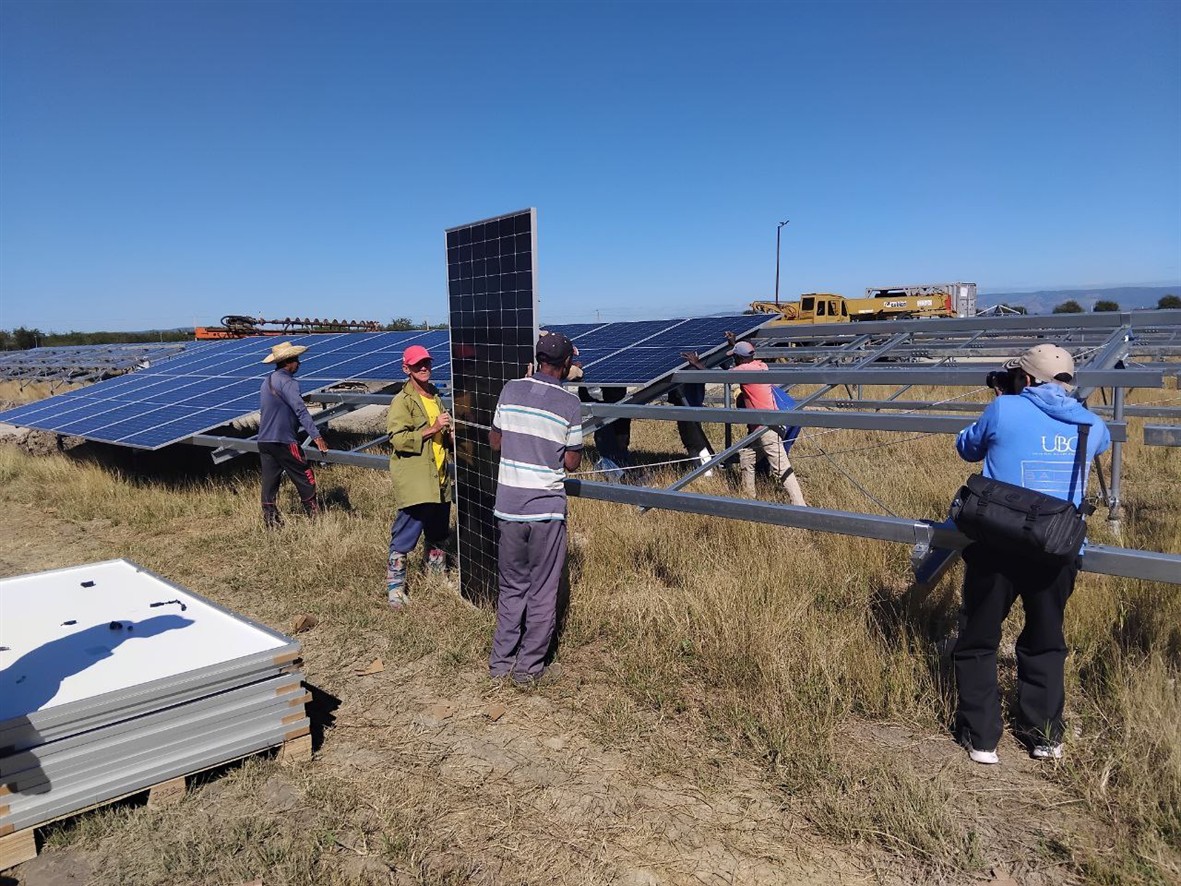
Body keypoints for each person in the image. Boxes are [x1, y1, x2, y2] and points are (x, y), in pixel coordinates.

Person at [952, 344, 1111, 764]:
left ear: (1024, 379)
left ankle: (981, 737)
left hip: (998, 542)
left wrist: (1004, 402)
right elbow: (1097, 444)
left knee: (980, 638)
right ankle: (1044, 735)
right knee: (1044, 640)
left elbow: (966, 448)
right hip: (1057, 548)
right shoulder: (1090, 425)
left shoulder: (1004, 409)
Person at [488, 330, 583, 686]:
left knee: (512, 587)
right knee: (543, 591)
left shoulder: (511, 389)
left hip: (508, 508)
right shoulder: (569, 404)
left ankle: (500, 664)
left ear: (538, 358)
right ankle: (528, 670)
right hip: (545, 511)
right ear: (567, 363)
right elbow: (572, 462)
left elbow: (495, 441)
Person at [684, 339, 806, 505]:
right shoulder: (760, 366)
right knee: (747, 457)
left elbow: (718, 377)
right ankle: (748, 498)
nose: (733, 360)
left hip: (766, 428)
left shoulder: (744, 370)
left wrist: (697, 363)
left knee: (781, 467)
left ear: (740, 359)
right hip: (762, 427)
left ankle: (800, 506)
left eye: (735, 357)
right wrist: (735, 344)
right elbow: (742, 360)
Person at [385, 344, 453, 609]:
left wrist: (447, 435)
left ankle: (436, 576)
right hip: (416, 478)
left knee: (438, 531)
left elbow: (441, 431)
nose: (423, 368)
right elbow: (398, 439)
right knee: (406, 532)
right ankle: (395, 588)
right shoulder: (402, 401)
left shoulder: (435, 395)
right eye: (417, 365)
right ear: (406, 369)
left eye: (426, 363)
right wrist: (432, 428)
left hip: (438, 476)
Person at [258, 341, 329, 527]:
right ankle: (315, 515)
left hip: (264, 439)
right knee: (304, 474)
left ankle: (270, 522)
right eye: (296, 360)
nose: (299, 363)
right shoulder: (289, 382)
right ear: (288, 362)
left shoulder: (267, 381)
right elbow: (301, 410)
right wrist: (317, 436)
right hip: (284, 440)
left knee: (269, 481)